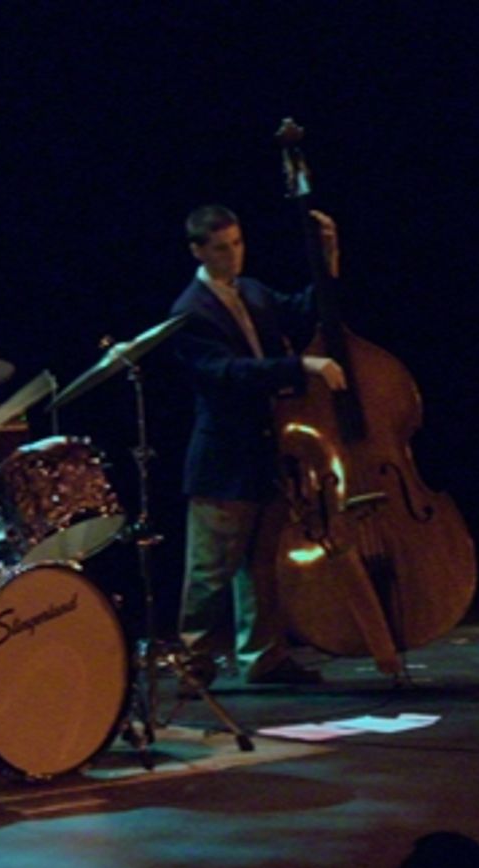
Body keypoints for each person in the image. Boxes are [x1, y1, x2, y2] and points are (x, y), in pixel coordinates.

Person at [171, 204, 346, 687]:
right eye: (222, 248)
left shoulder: (251, 291)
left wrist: (326, 256)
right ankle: (194, 663)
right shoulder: (189, 311)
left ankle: (264, 657)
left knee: (263, 563)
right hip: (223, 456)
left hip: (266, 448)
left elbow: (307, 309)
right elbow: (227, 373)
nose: (233, 256)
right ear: (199, 251)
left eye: (238, 243)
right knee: (211, 569)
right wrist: (300, 368)